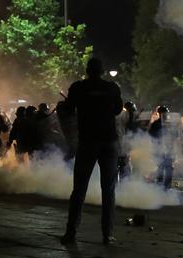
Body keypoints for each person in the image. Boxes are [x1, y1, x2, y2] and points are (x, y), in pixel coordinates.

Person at [59, 58, 123, 245]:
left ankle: (71, 232)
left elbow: (69, 110)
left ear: (87, 70)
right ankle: (107, 234)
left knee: (79, 189)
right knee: (109, 190)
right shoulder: (112, 88)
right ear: (102, 71)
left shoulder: (78, 87)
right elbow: (118, 110)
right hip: (109, 141)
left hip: (87, 141)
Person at [149, 105, 178, 190]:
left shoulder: (169, 124)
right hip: (160, 149)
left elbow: (175, 135)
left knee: (167, 168)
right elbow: (151, 136)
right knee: (162, 168)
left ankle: (164, 187)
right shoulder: (156, 124)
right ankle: (162, 186)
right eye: (164, 112)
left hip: (167, 149)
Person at [116, 101, 138, 180]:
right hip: (120, 147)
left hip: (118, 147)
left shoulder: (118, 115)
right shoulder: (123, 115)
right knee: (124, 170)